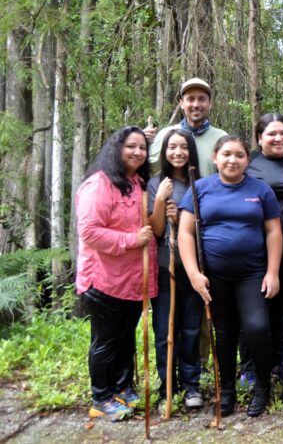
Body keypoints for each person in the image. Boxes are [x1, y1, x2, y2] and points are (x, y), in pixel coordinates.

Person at [177, 135, 282, 418]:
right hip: (215, 277)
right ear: (215, 158)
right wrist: (194, 274)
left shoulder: (260, 190)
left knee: (257, 327)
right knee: (223, 334)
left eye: (239, 155)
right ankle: (227, 390)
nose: (232, 160)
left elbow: (273, 231)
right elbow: (185, 233)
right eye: (226, 154)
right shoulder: (200, 189)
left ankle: (262, 385)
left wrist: (273, 272)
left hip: (252, 274)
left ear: (248, 160)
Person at [76, 126, 156, 422]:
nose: (137, 152)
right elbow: (89, 232)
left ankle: (122, 387)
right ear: (116, 149)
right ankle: (102, 396)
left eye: (142, 148)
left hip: (132, 279)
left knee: (125, 337)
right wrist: (131, 240)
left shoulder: (136, 183)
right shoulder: (100, 184)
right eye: (130, 146)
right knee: (106, 339)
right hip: (104, 279)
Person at [241, 113, 283, 401]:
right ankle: (250, 366)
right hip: (252, 250)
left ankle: (279, 362)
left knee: (279, 310)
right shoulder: (248, 164)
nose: (278, 138)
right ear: (259, 139)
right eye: (271, 134)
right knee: (253, 312)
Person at [147, 128, 204, 411]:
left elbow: (204, 226)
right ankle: (167, 385)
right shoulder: (155, 183)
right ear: (164, 152)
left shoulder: (200, 184)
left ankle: (192, 383)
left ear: (191, 151)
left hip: (193, 267)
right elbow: (155, 229)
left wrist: (181, 217)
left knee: (192, 327)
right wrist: (160, 201)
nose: (178, 152)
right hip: (164, 266)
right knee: (164, 329)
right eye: (172, 147)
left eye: (183, 147)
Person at [145, 78, 228, 177]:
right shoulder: (165, 135)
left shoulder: (221, 138)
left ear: (210, 104)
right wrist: (143, 144)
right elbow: (149, 171)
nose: (196, 105)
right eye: (190, 99)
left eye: (201, 99)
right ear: (182, 104)